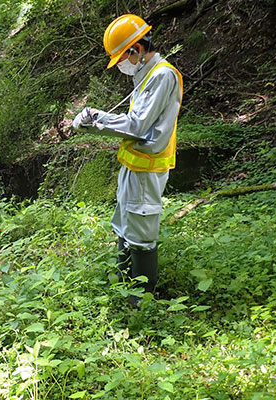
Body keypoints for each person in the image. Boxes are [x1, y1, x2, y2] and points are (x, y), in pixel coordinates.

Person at [72, 14, 183, 303]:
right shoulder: (145, 75)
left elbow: (137, 125)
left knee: (142, 234)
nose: (122, 63)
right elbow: (135, 121)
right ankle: (124, 286)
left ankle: (141, 300)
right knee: (124, 225)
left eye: (123, 56)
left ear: (137, 49)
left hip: (148, 167)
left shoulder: (162, 75)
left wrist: (97, 120)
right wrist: (97, 116)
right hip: (133, 165)